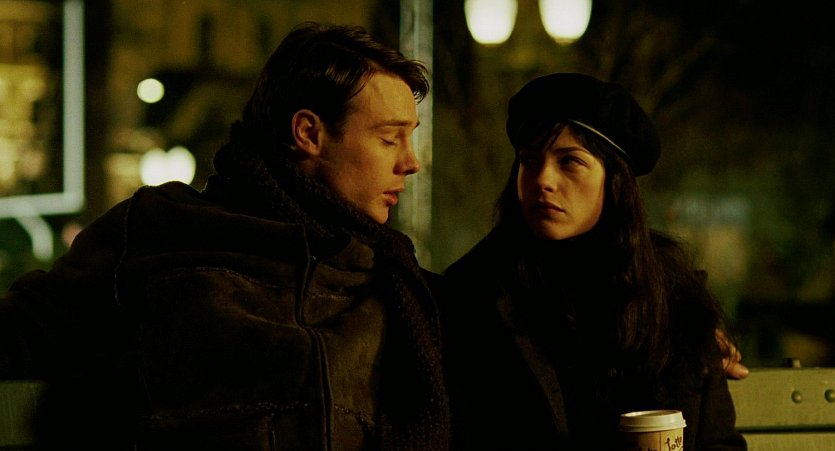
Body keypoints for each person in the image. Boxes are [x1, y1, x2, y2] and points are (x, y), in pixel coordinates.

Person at [0, 22, 450, 450]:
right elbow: (21, 333)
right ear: (308, 133)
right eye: (389, 139)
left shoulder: (392, 279)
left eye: (409, 139)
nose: (411, 163)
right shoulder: (164, 231)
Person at [440, 73, 747, 450]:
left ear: (614, 181)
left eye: (569, 161)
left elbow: (717, 442)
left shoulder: (670, 297)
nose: (542, 179)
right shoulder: (476, 292)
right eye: (529, 160)